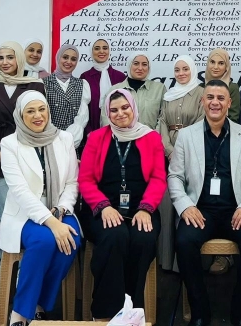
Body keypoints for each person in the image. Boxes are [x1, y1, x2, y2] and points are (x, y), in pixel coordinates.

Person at [169, 79, 241, 326]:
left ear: (229, 103)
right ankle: (200, 312)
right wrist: (186, 206)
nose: (215, 102)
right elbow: (175, 176)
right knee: (184, 242)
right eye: (210, 97)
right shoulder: (186, 136)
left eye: (221, 98)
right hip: (200, 211)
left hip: (236, 210)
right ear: (203, 101)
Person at [78, 90, 166, 318]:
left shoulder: (151, 137)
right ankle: (106, 313)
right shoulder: (96, 138)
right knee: (114, 236)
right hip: (102, 209)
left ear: (133, 108)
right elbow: (85, 179)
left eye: (125, 107)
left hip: (141, 209)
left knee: (143, 239)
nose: (120, 114)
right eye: (114, 110)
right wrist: (103, 206)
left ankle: (132, 311)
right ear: (107, 113)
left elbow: (158, 178)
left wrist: (146, 209)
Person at [0, 91, 82, 326]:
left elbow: (72, 182)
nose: (38, 116)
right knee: (44, 241)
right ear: (20, 115)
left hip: (60, 206)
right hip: (25, 213)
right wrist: (51, 221)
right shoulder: (9, 143)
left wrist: (62, 209)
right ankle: (20, 313)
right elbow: (20, 191)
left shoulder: (64, 138)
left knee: (72, 240)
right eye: (30, 111)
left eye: (42, 109)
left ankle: (37, 303)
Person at [0, 42, 46, 273]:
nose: (5, 62)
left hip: (28, 152)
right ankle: (5, 262)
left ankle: (26, 262)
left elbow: (41, 119)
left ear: (19, 60)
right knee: (5, 210)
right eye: (1, 58)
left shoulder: (34, 85)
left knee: (28, 208)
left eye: (10, 57)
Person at [157, 55, 205, 270]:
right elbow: (162, 123)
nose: (181, 73)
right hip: (169, 156)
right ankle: (168, 261)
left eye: (185, 69)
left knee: (190, 202)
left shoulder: (201, 93)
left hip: (193, 153)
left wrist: (182, 150)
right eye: (177, 70)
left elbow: (201, 121)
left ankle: (186, 264)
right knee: (168, 205)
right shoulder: (168, 94)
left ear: (193, 70)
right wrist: (169, 151)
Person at [43, 43, 90, 148]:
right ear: (58, 58)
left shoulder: (82, 84)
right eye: (65, 57)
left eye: (73, 59)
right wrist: (55, 140)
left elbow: (82, 117)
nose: (69, 62)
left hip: (73, 143)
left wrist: (68, 140)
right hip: (49, 142)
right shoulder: (44, 83)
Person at [80, 38, 126, 144]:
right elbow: (81, 107)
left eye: (105, 48)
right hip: (92, 133)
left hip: (119, 133)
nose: (101, 51)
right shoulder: (85, 77)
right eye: (97, 48)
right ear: (91, 52)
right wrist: (88, 131)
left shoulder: (120, 77)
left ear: (109, 51)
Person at [103, 53, 166, 129]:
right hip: (121, 136)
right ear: (129, 65)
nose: (140, 68)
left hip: (151, 135)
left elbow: (164, 117)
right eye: (136, 64)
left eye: (144, 64)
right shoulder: (115, 90)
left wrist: (154, 135)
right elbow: (106, 119)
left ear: (148, 67)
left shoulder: (159, 89)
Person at [205, 48, 241, 122]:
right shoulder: (201, 87)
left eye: (221, 63)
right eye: (212, 62)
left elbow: (233, 117)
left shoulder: (232, 88)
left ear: (226, 66)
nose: (215, 67)